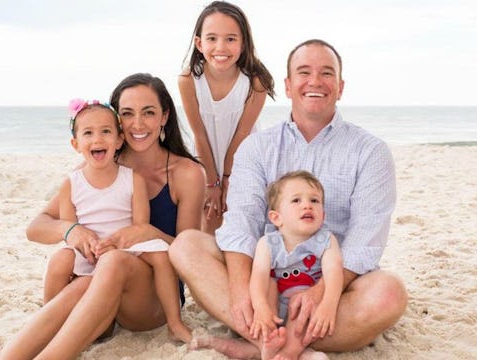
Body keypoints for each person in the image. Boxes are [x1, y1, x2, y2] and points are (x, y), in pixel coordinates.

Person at [171, 39, 408, 360]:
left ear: (340, 87)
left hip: (334, 290)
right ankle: (276, 338)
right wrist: (241, 292)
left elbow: (365, 242)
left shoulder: (370, 151)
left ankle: (263, 345)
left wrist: (321, 293)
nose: (315, 81)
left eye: (327, 73)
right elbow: (240, 222)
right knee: (186, 245)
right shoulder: (257, 148)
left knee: (389, 293)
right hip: (265, 280)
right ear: (288, 85)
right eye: (304, 72)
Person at [0, 73, 205, 359]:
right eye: (127, 114)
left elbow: (192, 257)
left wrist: (148, 233)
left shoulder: (187, 174)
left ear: (164, 116)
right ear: (118, 122)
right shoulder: (103, 165)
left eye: (148, 112)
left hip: (152, 300)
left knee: (114, 260)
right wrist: (71, 231)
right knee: (83, 278)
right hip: (102, 288)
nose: (138, 123)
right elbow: (36, 227)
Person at [42, 98, 192, 343]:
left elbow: (140, 226)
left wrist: (117, 244)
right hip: (89, 253)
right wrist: (87, 246)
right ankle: (51, 320)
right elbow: (72, 230)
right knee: (60, 259)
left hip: (126, 247)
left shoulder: (132, 179)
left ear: (119, 139)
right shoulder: (71, 183)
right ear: (75, 144)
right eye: (88, 133)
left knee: (161, 254)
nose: (98, 139)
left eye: (106, 131)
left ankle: (175, 321)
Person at [195, 171, 344, 360]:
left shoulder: (326, 240)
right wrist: (261, 308)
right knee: (270, 283)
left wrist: (328, 306)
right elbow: (258, 278)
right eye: (296, 200)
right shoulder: (267, 243)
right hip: (274, 309)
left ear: (323, 215)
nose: (307, 205)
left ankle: (286, 353)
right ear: (276, 218)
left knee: (304, 300)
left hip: (304, 309)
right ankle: (270, 342)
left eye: (315, 201)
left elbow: (334, 272)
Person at [178, 0, 275, 234]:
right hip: (205, 160)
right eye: (212, 38)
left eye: (230, 39)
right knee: (209, 219)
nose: (220, 47)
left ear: (243, 44)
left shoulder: (255, 81)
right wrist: (212, 182)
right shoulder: (189, 80)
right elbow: (199, 134)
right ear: (199, 43)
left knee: (243, 223)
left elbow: (242, 134)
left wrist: (229, 177)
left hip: (243, 159)